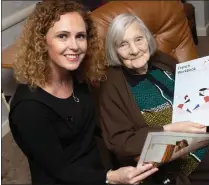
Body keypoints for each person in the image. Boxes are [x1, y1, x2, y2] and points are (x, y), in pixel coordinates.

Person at [9, 2, 159, 184]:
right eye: (62, 36)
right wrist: (111, 177)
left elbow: (93, 130)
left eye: (80, 36)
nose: (75, 46)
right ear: (42, 42)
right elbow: (61, 170)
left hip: (98, 168)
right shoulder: (29, 108)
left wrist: (132, 149)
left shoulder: (77, 76)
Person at [99, 13, 209, 185]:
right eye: (123, 44)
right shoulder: (112, 85)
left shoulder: (162, 61)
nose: (134, 50)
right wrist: (169, 129)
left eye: (139, 39)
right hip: (186, 157)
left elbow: (193, 95)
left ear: (147, 39)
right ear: (114, 50)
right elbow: (120, 142)